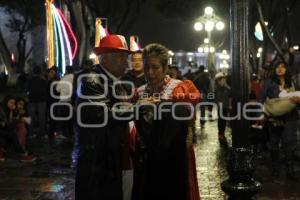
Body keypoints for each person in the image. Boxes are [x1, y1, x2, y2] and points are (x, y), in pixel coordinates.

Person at [135, 43, 201, 200]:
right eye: (146, 68)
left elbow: (186, 112)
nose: (150, 72)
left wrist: (159, 107)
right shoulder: (140, 91)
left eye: (155, 67)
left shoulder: (179, 88)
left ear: (165, 68)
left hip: (175, 156)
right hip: (148, 156)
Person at [75, 34, 133, 199]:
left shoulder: (113, 81)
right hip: (97, 160)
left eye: (126, 57)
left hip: (109, 157)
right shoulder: (93, 80)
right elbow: (102, 114)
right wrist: (137, 109)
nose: (126, 63)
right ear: (106, 59)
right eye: (122, 57)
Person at [259, 61, 299, 180]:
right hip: (274, 118)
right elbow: (261, 99)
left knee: (289, 144)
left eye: (283, 67)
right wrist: (261, 114)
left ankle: (290, 171)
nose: (280, 69)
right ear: (274, 69)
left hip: (291, 118)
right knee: (274, 144)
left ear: (287, 69)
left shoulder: (292, 82)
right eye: (277, 67)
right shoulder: (269, 82)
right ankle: (275, 170)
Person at [0, 95, 36, 162]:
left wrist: (16, 115)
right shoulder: (2, 110)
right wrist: (17, 119)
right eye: (11, 103)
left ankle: (22, 152)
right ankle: (23, 154)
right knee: (12, 133)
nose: (13, 105)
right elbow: (6, 125)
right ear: (6, 102)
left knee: (15, 130)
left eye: (13, 103)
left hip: (5, 130)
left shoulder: (11, 110)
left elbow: (9, 124)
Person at [26, 65, 47, 138]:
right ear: (40, 72)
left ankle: (31, 133)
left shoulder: (29, 80)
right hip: (42, 100)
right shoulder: (43, 80)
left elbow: (27, 90)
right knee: (42, 117)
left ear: (33, 72)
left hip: (31, 100)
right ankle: (43, 133)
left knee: (31, 117)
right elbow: (45, 90)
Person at [214, 72, 231, 146]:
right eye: (223, 80)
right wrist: (217, 102)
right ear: (219, 81)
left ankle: (222, 133)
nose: (224, 81)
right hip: (220, 107)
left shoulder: (228, 88)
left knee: (224, 120)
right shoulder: (217, 88)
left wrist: (230, 105)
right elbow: (215, 97)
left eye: (225, 80)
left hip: (226, 107)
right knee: (220, 120)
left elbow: (230, 97)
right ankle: (220, 133)